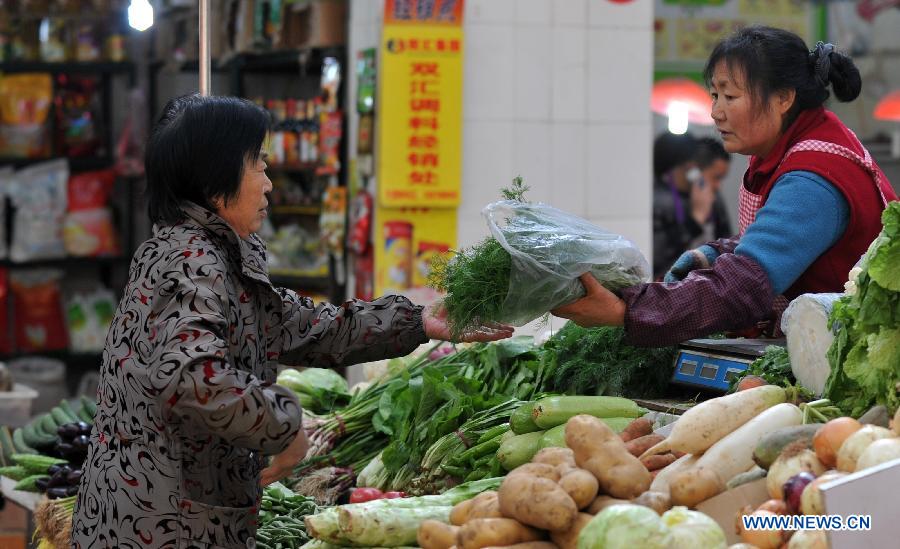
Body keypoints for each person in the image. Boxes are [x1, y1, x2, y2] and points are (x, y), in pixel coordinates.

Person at [70, 94, 512, 548]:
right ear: (215, 176)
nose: (269, 184)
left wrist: (417, 320)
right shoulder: (190, 260)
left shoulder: (208, 254)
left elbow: (305, 325)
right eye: (258, 164)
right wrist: (284, 424)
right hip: (159, 527)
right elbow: (190, 377)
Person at [553, 26, 896, 345]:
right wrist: (717, 252)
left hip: (851, 349)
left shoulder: (813, 179)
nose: (716, 112)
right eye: (714, 95)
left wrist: (626, 311)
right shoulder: (808, 140)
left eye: (730, 97)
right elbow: (788, 236)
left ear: (783, 99)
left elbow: (744, 287)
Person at [651, 133, 731, 279]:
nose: (718, 186)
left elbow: (728, 247)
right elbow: (658, 264)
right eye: (716, 178)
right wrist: (696, 220)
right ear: (692, 170)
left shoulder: (714, 199)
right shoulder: (660, 202)